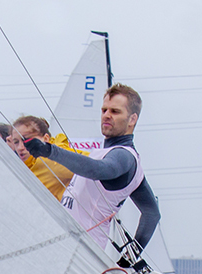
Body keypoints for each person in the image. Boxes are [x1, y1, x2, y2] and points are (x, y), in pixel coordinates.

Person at [23, 84, 161, 262]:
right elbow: (152, 213)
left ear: (132, 119)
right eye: (104, 110)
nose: (106, 115)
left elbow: (97, 170)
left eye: (115, 111)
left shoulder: (124, 156)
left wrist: (50, 151)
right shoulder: (110, 154)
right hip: (67, 249)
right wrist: (129, 257)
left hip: (79, 256)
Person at [6, 115, 85, 201]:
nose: (20, 147)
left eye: (26, 140)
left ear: (46, 138)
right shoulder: (21, 168)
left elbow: (93, 162)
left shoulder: (53, 160)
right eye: (16, 142)